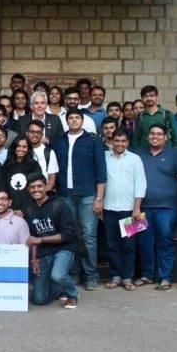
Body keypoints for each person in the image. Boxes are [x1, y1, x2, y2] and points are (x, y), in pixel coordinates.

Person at [53, 108, 107, 291]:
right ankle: (74, 273)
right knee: (71, 235)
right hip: (65, 194)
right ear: (66, 121)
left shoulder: (93, 140)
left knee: (89, 236)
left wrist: (99, 198)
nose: (74, 120)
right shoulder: (59, 141)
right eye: (71, 118)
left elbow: (101, 170)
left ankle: (91, 275)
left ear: (82, 121)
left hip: (88, 194)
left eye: (77, 118)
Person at [135, 123, 177, 290]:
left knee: (165, 241)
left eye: (159, 134)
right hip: (140, 207)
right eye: (152, 133)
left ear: (165, 137)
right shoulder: (138, 154)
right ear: (147, 136)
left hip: (168, 208)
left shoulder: (175, 154)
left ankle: (165, 277)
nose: (155, 137)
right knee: (143, 243)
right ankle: (146, 275)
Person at [24, 174, 79, 309]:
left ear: (46, 187)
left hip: (63, 249)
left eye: (39, 186)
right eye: (32, 187)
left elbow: (68, 235)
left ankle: (72, 294)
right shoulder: (29, 208)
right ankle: (59, 288)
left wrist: (42, 239)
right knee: (38, 299)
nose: (36, 189)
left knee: (58, 275)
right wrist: (33, 259)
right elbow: (33, 238)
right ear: (28, 190)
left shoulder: (59, 204)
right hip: (43, 253)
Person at [103, 128, 146, 291]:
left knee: (129, 246)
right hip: (109, 208)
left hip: (130, 210)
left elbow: (141, 184)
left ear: (127, 142)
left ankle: (127, 278)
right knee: (112, 244)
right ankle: (115, 276)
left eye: (123, 141)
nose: (120, 144)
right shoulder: (104, 157)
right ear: (112, 141)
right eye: (117, 140)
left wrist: (137, 208)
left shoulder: (135, 159)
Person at [131, 85, 177, 150]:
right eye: (145, 96)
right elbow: (136, 141)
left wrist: (174, 154)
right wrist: (136, 153)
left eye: (152, 95)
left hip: (165, 153)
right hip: (145, 154)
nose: (149, 98)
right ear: (142, 98)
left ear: (157, 97)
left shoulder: (167, 115)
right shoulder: (139, 117)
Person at [3, 136, 42, 212]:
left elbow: (38, 186)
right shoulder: (6, 165)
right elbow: (4, 188)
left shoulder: (34, 165)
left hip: (30, 208)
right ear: (14, 147)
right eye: (18, 146)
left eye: (24, 147)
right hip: (11, 208)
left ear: (28, 149)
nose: (21, 149)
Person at [25, 120, 59, 192]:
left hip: (42, 193)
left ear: (42, 135)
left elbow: (51, 180)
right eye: (32, 132)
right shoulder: (21, 150)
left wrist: (40, 194)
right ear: (27, 133)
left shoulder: (49, 152)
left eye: (38, 132)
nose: (35, 135)